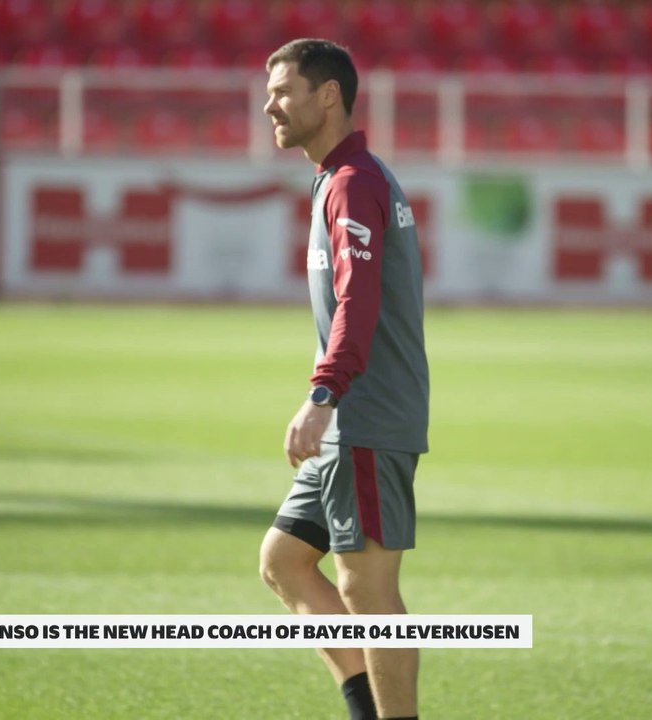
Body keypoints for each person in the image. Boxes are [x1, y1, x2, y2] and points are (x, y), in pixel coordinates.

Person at [256, 38, 429, 720]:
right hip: (350, 423)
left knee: (369, 591)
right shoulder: (339, 177)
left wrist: (323, 393)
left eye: (282, 91)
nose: (269, 105)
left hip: (363, 418)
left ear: (327, 96)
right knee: (285, 562)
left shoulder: (354, 182)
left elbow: (359, 299)